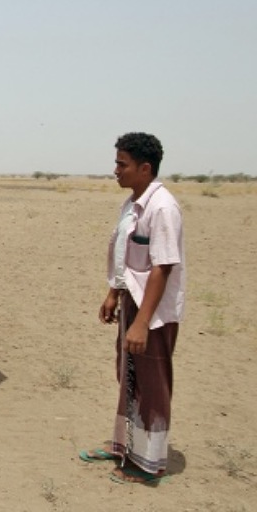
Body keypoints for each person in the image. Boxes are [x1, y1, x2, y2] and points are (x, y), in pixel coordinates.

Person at [81, 132, 186, 485]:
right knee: (128, 376)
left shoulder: (162, 208)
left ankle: (149, 464)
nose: (115, 170)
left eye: (121, 164)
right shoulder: (132, 204)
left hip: (152, 314)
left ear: (145, 168)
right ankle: (123, 446)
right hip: (132, 304)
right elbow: (128, 257)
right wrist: (113, 293)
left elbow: (162, 266)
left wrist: (142, 323)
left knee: (152, 384)